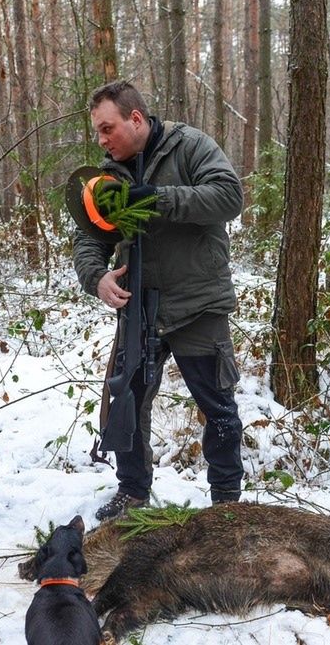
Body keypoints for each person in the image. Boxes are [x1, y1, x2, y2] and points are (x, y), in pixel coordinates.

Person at [73, 81, 245, 521]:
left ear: (135, 119)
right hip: (139, 308)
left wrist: (158, 199)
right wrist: (97, 278)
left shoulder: (188, 146)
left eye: (107, 128)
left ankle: (226, 502)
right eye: (97, 132)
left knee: (218, 406)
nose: (102, 139)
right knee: (126, 402)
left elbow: (228, 196)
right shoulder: (107, 174)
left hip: (197, 304)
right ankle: (132, 491)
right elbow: (88, 236)